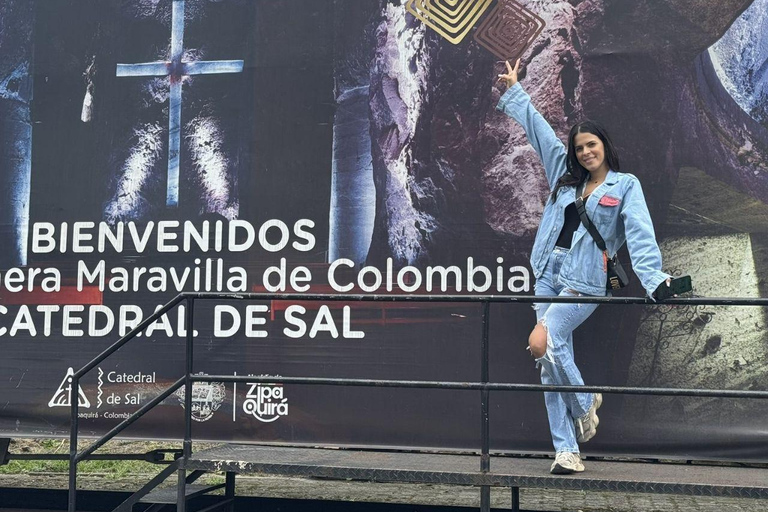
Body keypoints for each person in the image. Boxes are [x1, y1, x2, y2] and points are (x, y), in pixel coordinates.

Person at [496, 59, 674, 474]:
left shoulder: (625, 185)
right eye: (579, 148)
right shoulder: (565, 176)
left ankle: (583, 399)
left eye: (591, 145)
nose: (585, 152)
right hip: (548, 272)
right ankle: (566, 451)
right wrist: (516, 89)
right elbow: (540, 132)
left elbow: (641, 234)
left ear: (604, 146)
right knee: (546, 364)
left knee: (546, 343)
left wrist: (655, 279)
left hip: (587, 278)